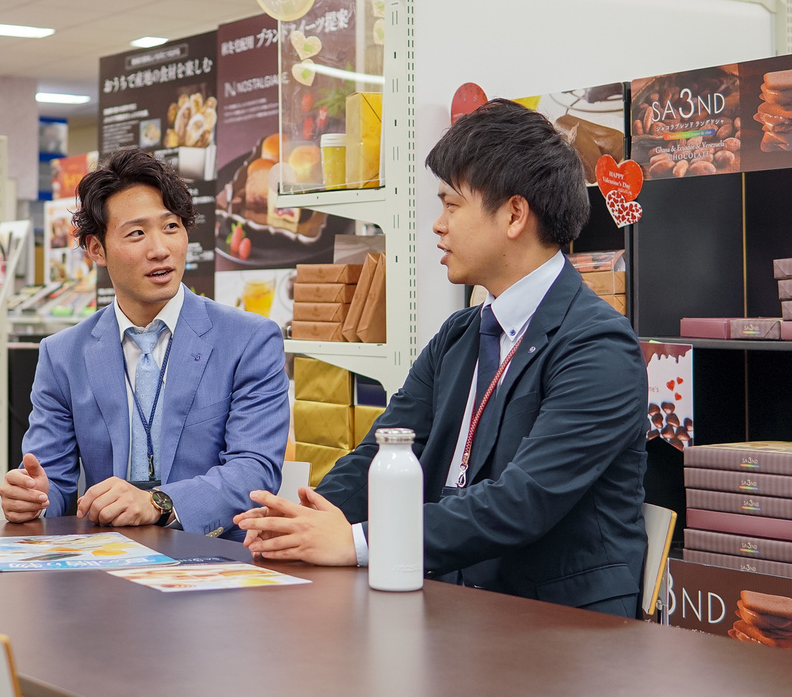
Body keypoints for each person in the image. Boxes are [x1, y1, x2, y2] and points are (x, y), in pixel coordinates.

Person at [235, 100, 649, 617]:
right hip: (452, 605)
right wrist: (302, 521)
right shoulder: (461, 334)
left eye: (452, 206)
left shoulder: (598, 347)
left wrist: (358, 542)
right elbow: (381, 451)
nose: (438, 225)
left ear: (514, 214)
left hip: (558, 628)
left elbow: (524, 500)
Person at [1, 149, 288, 537]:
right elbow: (54, 482)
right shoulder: (62, 354)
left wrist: (159, 503)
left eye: (171, 227)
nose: (160, 249)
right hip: (105, 561)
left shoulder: (249, 340)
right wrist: (33, 496)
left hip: (214, 559)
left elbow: (254, 470)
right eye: (136, 233)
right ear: (96, 249)